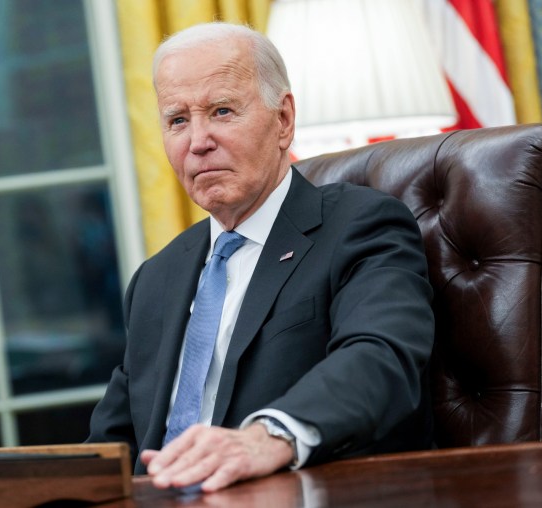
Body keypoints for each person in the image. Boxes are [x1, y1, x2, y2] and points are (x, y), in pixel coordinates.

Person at [87, 21, 435, 493]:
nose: (198, 141)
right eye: (177, 120)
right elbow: (110, 448)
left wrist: (267, 436)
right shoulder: (156, 278)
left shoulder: (361, 226)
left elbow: (379, 357)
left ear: (283, 120)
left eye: (222, 110)